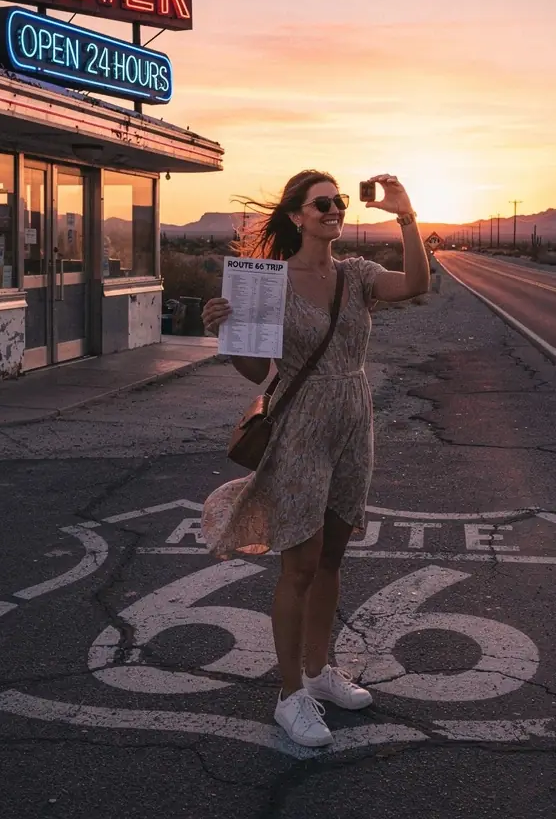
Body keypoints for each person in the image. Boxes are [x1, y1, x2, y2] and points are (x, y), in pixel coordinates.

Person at [200, 170, 429, 748]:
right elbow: (257, 372)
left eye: (340, 201)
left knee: (332, 558)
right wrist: (227, 335)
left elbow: (417, 285)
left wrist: (406, 216)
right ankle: (288, 696)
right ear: (297, 216)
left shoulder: (357, 274)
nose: (334, 209)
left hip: (355, 419)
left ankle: (320, 672)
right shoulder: (268, 283)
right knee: (299, 565)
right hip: (302, 427)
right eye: (322, 203)